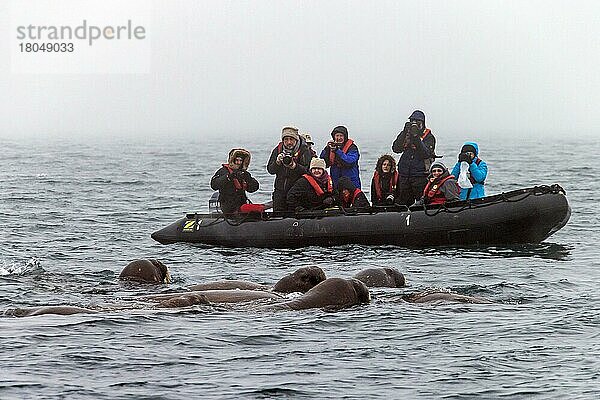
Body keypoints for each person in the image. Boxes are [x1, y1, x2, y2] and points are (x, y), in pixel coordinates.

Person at [391, 110, 436, 206]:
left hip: (420, 175)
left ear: (423, 123)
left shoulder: (429, 137)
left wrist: (416, 137)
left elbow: (426, 153)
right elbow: (396, 148)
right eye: (412, 121)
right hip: (404, 174)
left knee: (421, 202)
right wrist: (404, 133)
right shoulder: (406, 134)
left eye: (418, 122)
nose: (414, 124)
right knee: (402, 202)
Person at [267, 126, 313, 211]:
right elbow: (270, 170)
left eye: (291, 139)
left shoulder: (304, 151)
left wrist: (294, 166)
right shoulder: (277, 150)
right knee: (278, 215)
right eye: (286, 139)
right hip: (280, 190)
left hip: (297, 192)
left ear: (296, 140)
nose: (289, 142)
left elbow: (308, 171)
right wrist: (277, 162)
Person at [210, 148, 260, 214]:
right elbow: (214, 185)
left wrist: (248, 179)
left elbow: (253, 188)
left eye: (241, 160)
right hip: (227, 205)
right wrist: (229, 177)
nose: (238, 163)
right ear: (232, 160)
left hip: (241, 203)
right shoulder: (223, 171)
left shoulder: (244, 173)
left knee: (256, 210)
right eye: (236, 160)